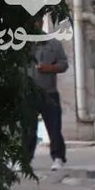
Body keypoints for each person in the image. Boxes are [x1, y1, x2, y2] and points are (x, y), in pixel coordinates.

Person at [23, 19, 69, 171]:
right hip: (28, 93)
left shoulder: (53, 43)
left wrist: (49, 68)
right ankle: (25, 160)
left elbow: (64, 64)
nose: (32, 24)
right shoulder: (20, 43)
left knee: (54, 128)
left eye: (35, 21)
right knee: (28, 129)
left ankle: (58, 158)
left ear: (40, 22)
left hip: (49, 92)